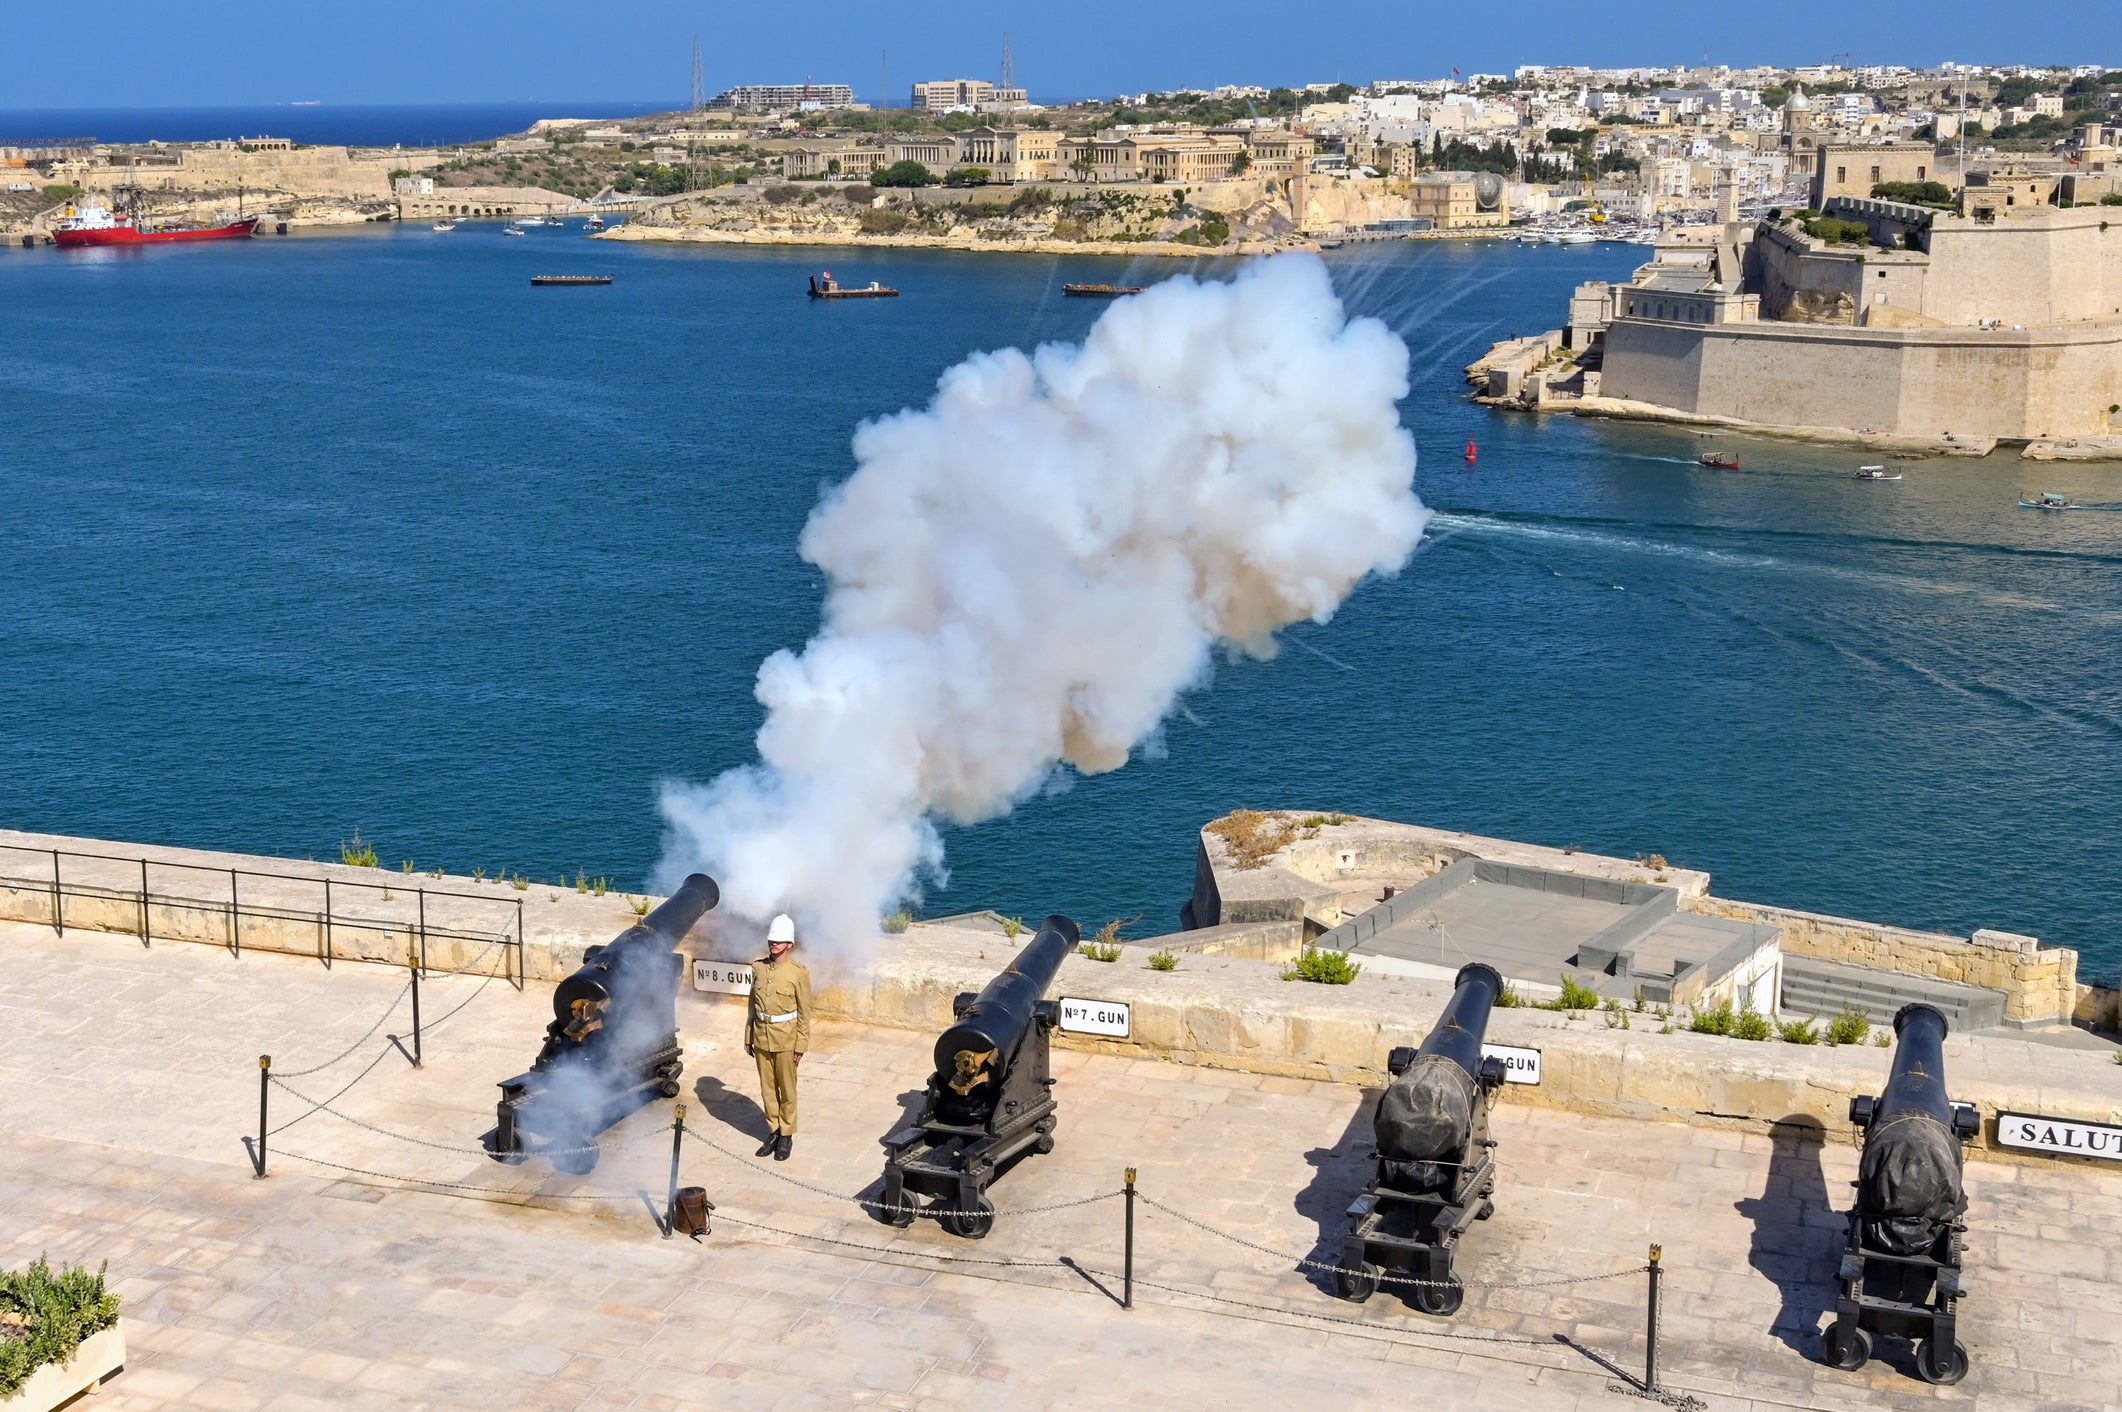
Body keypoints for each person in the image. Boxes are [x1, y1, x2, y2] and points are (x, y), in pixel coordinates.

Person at [746, 912, 812, 1161]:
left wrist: (801, 1044)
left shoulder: (798, 973)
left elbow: (805, 1011)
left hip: (786, 1038)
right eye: (771, 941)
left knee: (787, 1089)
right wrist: (748, 1036)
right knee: (767, 1088)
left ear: (789, 944)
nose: (773, 944)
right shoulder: (759, 968)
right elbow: (752, 1005)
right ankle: (773, 1130)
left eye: (778, 941)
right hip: (762, 1036)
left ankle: (787, 1134)